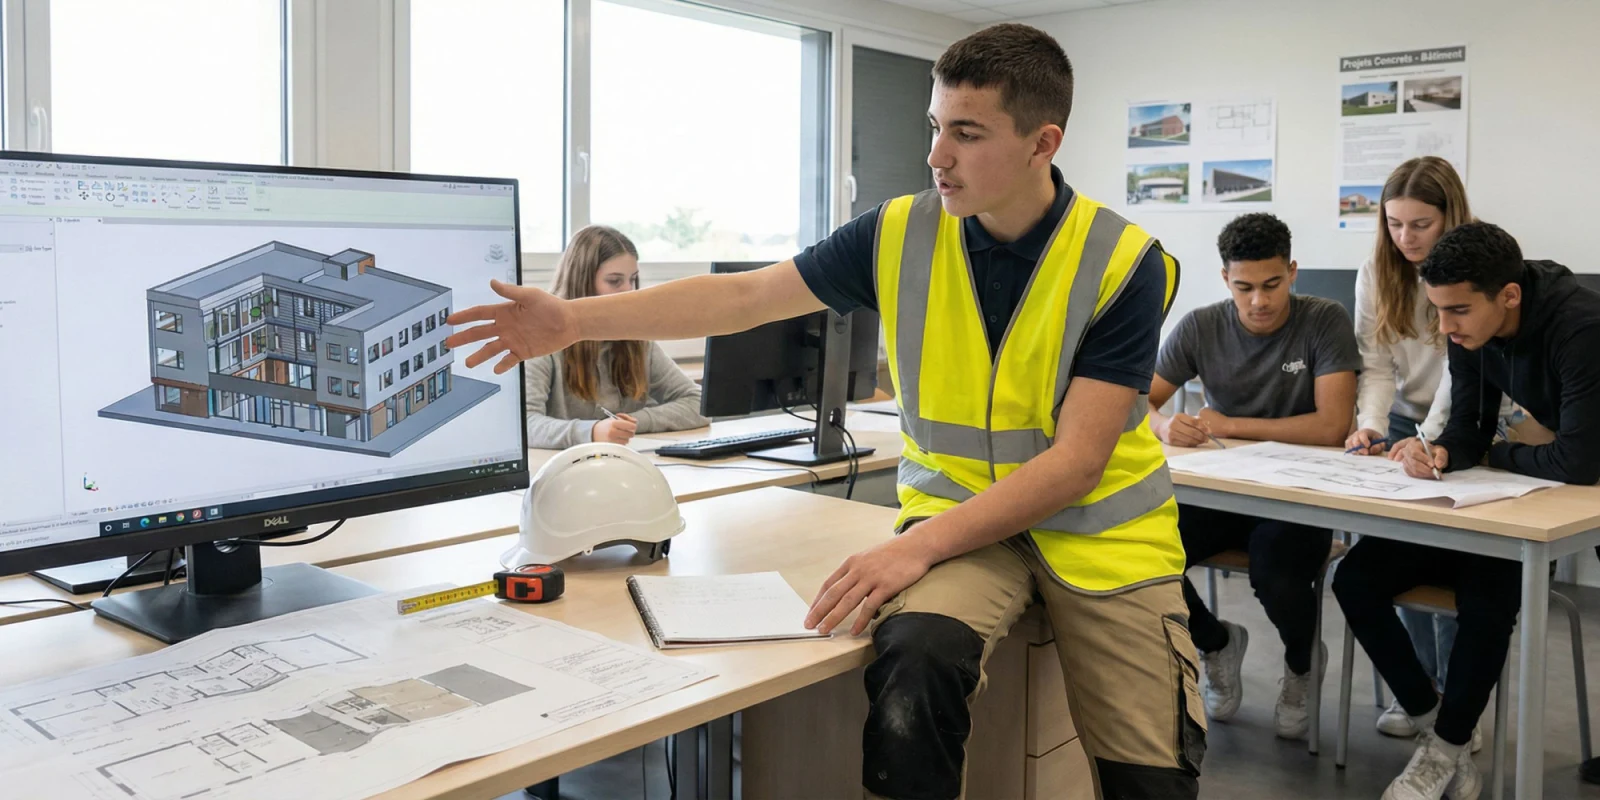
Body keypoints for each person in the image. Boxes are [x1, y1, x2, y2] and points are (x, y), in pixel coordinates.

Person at [446, 23, 1205, 800]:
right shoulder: (901, 230)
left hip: (1098, 537)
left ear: (1044, 142)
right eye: (935, 127)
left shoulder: (1124, 262)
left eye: (967, 134)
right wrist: (574, 320)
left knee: (1149, 778)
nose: (937, 155)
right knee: (912, 665)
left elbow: (1077, 463)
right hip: (967, 523)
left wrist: (913, 549)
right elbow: (745, 296)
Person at [1336, 221, 1600, 800]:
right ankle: (1441, 729)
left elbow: (1578, 461)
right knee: (1354, 577)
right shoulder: (1471, 332)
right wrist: (1443, 451)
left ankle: (1448, 743)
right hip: (1517, 491)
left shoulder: (1580, 327)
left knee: (1489, 598)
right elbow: (1470, 424)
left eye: (1457, 311)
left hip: (1574, 498)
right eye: (1438, 311)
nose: (1445, 328)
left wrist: (1497, 452)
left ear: (1508, 296)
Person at [1146, 212, 1358, 739]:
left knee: (1277, 573)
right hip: (1224, 490)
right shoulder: (1201, 325)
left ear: (1292, 271)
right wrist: (1165, 424)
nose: (1259, 301)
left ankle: (1302, 665)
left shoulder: (1324, 319)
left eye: (1272, 284)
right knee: (1147, 550)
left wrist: (1229, 423)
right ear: (1225, 280)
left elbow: (1333, 426)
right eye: (1244, 287)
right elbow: (1134, 401)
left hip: (1299, 495)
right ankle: (1216, 642)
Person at [1342, 156, 1484, 748]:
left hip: (1469, 421)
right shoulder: (1378, 270)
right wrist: (1372, 428)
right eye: (1395, 223)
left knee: (1451, 559)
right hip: (1405, 420)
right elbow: (1376, 364)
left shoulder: (1478, 264)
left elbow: (1463, 364)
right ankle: (1421, 692)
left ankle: (1458, 708)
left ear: (1450, 215)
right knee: (1396, 547)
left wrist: (1429, 440)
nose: (1406, 238)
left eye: (1420, 224)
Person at [522, 225, 708, 448]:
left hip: (620, 464)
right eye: (614, 281)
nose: (629, 292)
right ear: (582, 283)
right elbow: (526, 425)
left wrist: (630, 424)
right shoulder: (543, 338)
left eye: (633, 280)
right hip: (563, 470)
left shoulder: (638, 339)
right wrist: (591, 432)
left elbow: (699, 404)